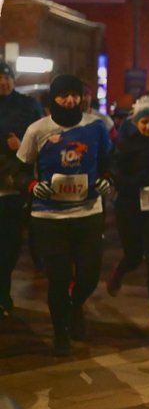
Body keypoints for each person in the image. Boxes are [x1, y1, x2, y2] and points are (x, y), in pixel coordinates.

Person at [15, 74, 114, 356]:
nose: (70, 100)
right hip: (50, 218)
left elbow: (108, 163)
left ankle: (75, 307)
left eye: (75, 95)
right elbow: (19, 171)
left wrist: (108, 179)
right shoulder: (38, 130)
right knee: (58, 278)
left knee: (89, 275)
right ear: (53, 99)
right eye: (63, 96)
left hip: (88, 212)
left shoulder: (96, 126)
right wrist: (33, 186)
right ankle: (61, 333)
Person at [107, 97, 149, 329]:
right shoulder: (126, 145)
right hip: (129, 206)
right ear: (136, 123)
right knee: (134, 255)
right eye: (144, 122)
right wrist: (134, 182)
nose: (148, 126)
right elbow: (115, 172)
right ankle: (120, 271)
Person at [0, 61, 44, 316]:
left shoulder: (27, 106)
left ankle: (3, 291)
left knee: (11, 245)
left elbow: (39, 140)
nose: (3, 82)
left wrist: (22, 147)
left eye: (6, 77)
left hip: (15, 188)